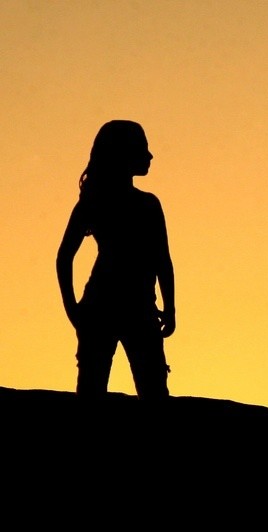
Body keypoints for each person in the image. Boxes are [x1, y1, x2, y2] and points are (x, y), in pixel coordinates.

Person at [56, 120, 175, 400]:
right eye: (142, 149)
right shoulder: (126, 204)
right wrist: (72, 309)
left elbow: (162, 261)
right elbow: (64, 257)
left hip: (133, 308)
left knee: (149, 387)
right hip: (114, 307)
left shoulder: (144, 204)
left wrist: (170, 308)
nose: (150, 156)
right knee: (99, 390)